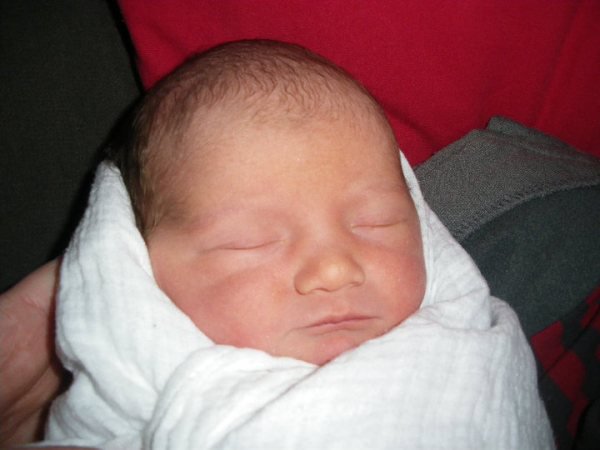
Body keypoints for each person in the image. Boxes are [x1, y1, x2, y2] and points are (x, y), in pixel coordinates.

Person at [10, 40, 553, 448]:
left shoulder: (464, 348)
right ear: (140, 273)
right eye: (250, 242)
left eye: (376, 223)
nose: (335, 269)